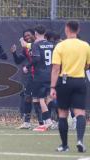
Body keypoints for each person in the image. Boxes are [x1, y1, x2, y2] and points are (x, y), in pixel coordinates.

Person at [51, 21, 90, 152]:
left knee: (63, 114)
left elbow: (56, 68)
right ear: (78, 30)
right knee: (80, 113)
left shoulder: (60, 46)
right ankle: (79, 140)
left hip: (64, 81)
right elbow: (88, 65)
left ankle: (64, 145)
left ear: (66, 29)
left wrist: (52, 87)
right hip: (80, 81)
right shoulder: (85, 46)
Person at [10, 29, 43, 129]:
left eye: (29, 35)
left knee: (41, 99)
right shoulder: (26, 48)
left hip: (42, 76)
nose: (27, 38)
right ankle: (27, 122)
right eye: (25, 36)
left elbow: (38, 59)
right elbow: (18, 60)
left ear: (34, 35)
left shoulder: (38, 45)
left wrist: (27, 66)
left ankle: (44, 121)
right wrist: (14, 53)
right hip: (31, 77)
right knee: (28, 98)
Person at [24, 25, 54, 132]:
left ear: (36, 34)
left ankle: (48, 121)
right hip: (51, 74)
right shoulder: (51, 44)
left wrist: (27, 67)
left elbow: (36, 58)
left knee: (40, 99)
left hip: (40, 75)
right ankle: (46, 121)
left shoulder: (36, 44)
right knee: (48, 98)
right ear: (45, 33)